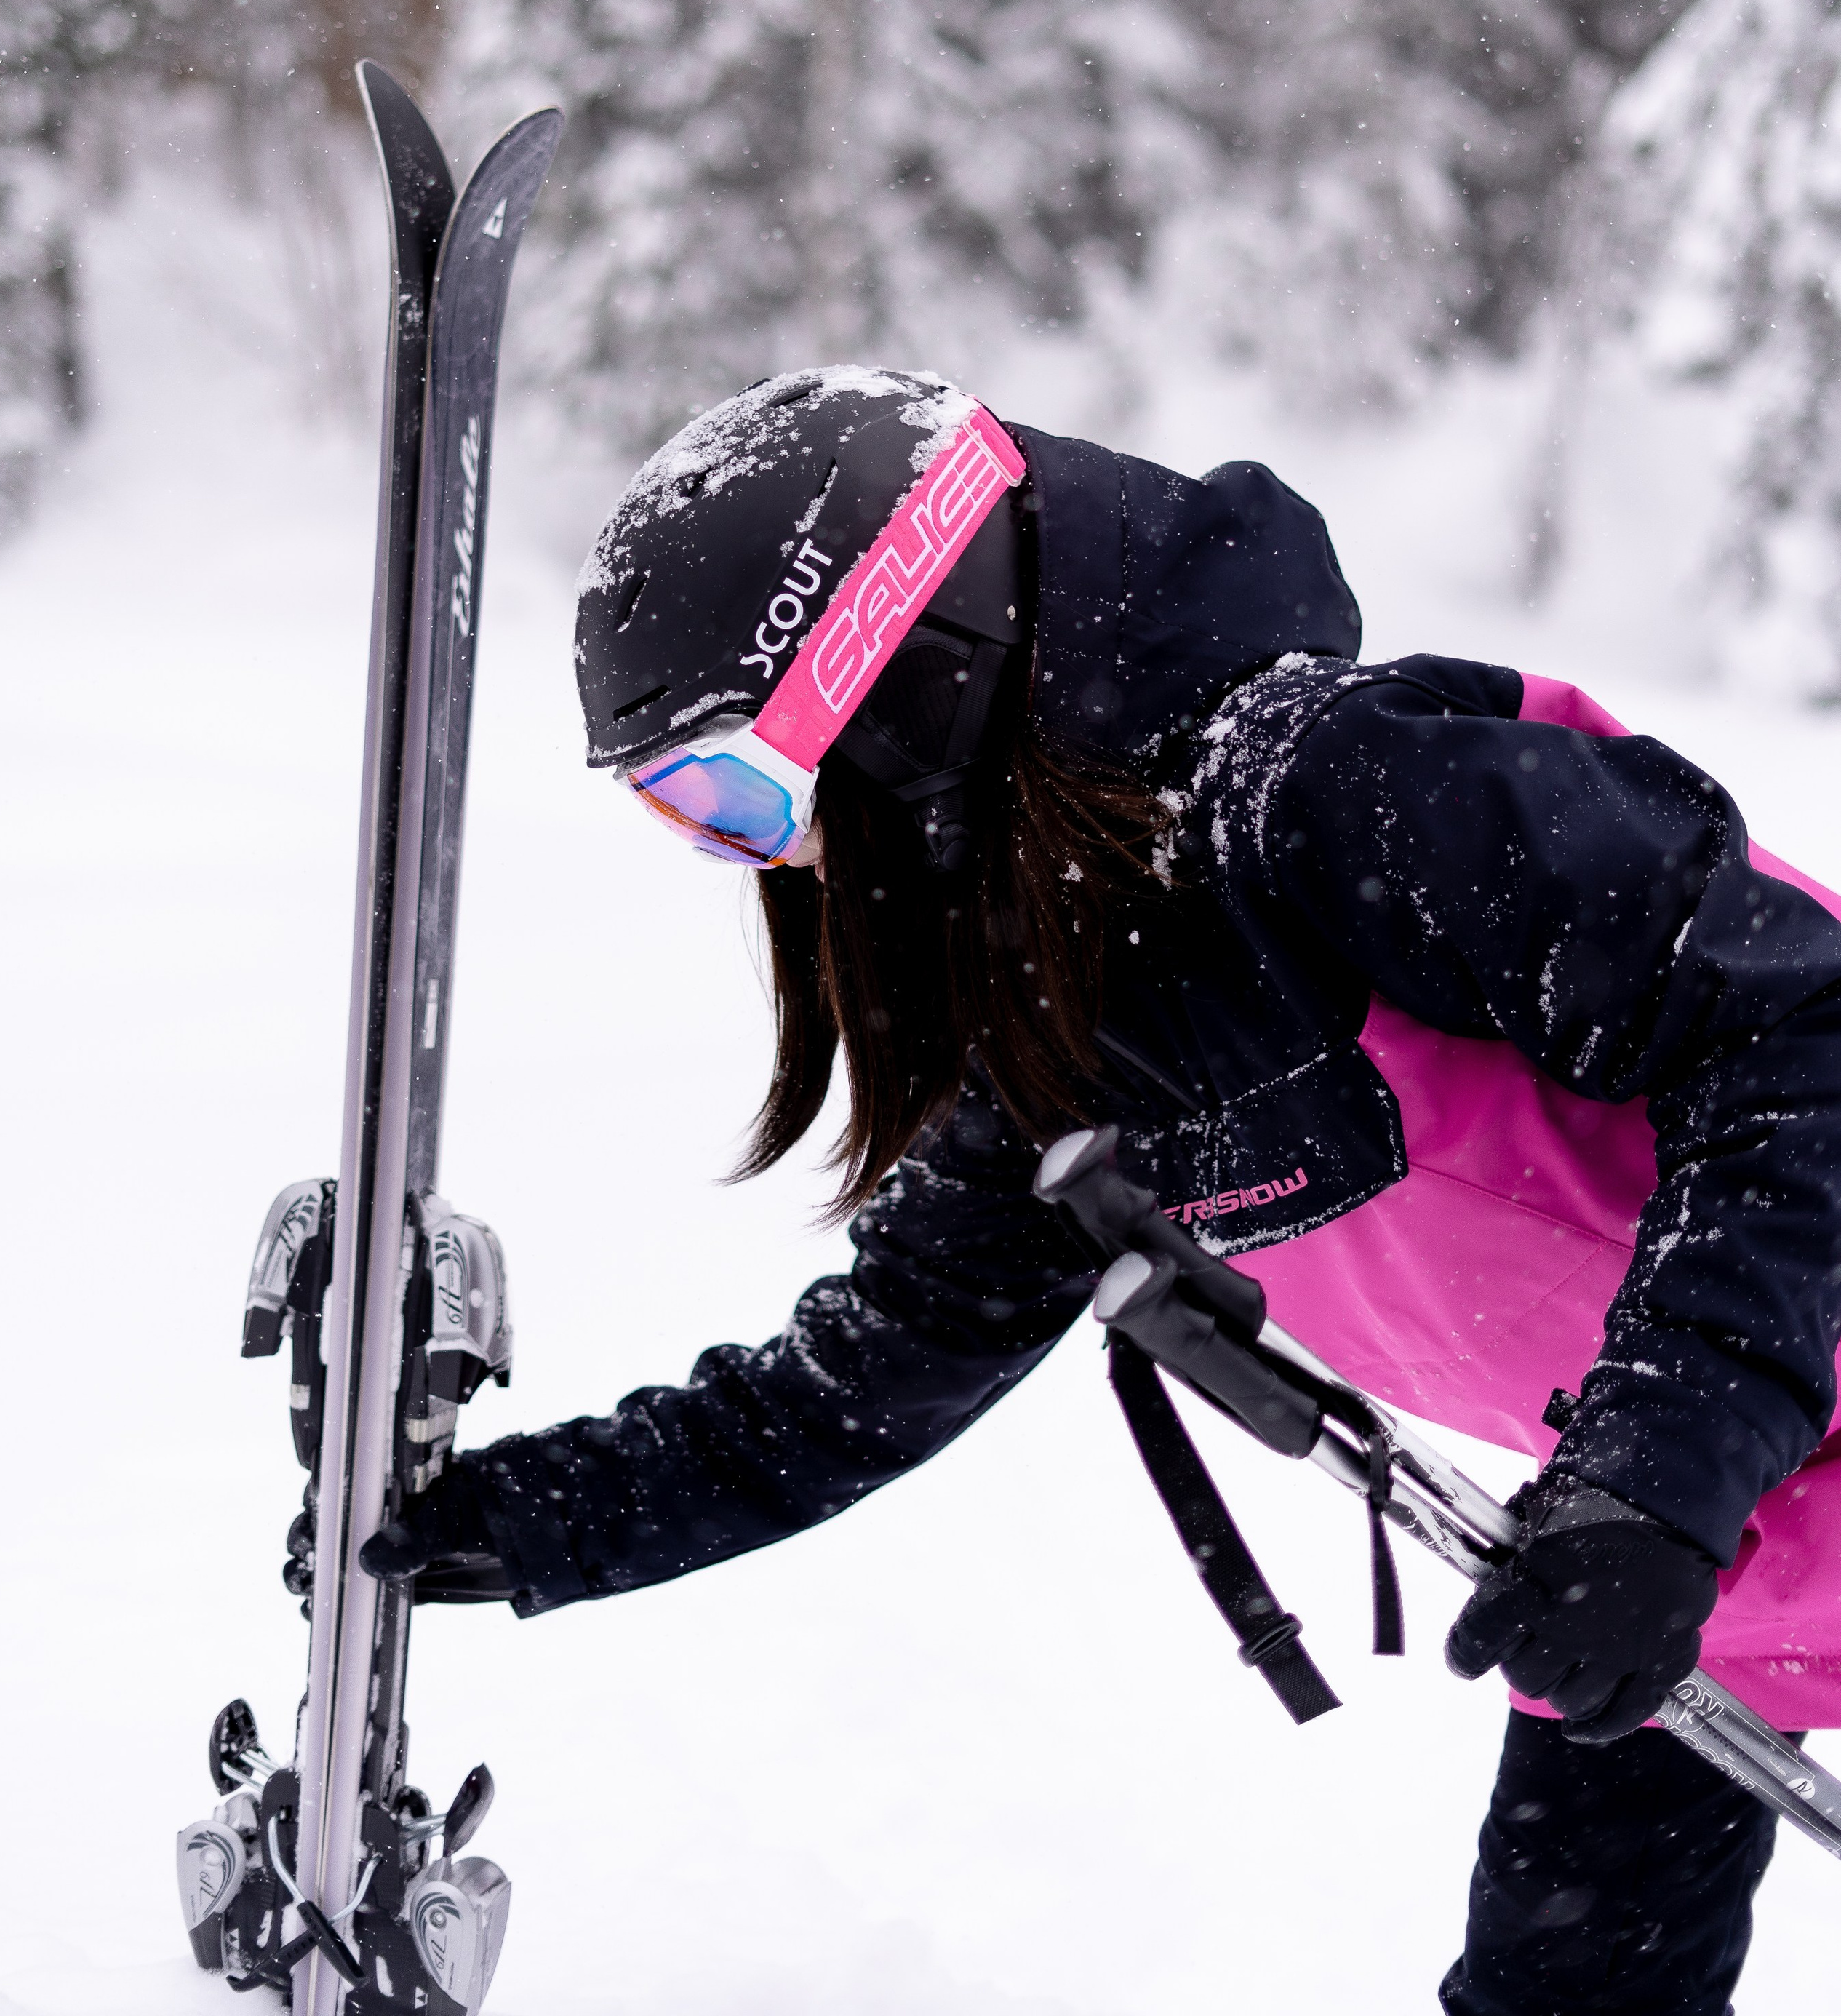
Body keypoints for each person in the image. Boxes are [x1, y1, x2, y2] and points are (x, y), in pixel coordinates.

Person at [363, 366, 1841, 2016]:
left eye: (733, 792)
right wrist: (536, 1515)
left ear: (906, 684)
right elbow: (859, 1384)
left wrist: (1650, 1477)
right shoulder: (1070, 1040)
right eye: (682, 821)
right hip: (1710, 1561)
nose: (761, 863)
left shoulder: (1333, 795)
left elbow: (1800, 1030)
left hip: (1686, 1486)